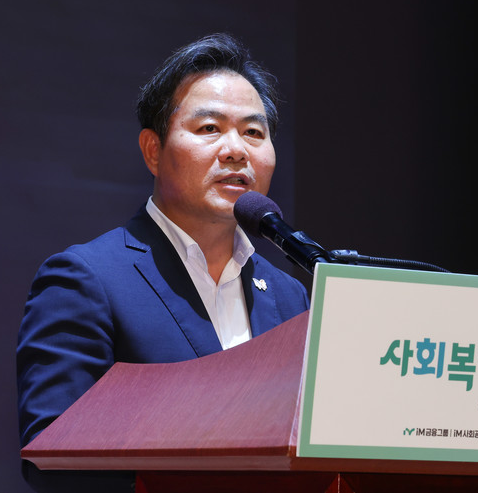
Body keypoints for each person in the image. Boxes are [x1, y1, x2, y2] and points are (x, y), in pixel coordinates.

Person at [16, 33, 309, 492]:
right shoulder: (86, 280)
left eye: (254, 133)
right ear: (153, 151)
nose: (236, 150)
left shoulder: (291, 297)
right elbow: (54, 461)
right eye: (209, 128)